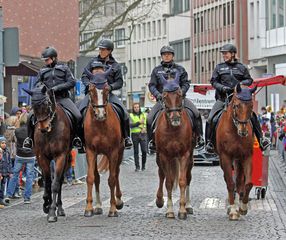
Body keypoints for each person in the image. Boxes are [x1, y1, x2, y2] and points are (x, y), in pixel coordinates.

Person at [205, 43, 271, 153]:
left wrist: (240, 84)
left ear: (233, 54)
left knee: (253, 116)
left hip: (240, 98)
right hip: (223, 98)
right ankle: (210, 142)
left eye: (226, 53)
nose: (224, 55)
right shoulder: (219, 67)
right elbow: (213, 81)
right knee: (211, 118)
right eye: (223, 53)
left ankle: (261, 140)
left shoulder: (242, 67)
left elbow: (249, 80)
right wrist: (222, 87)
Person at [23, 46, 83, 150]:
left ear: (54, 58)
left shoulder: (64, 68)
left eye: (47, 59)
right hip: (47, 99)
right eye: (45, 60)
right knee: (30, 116)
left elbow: (72, 82)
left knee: (78, 116)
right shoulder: (42, 71)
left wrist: (57, 88)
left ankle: (77, 138)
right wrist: (42, 89)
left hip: (62, 98)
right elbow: (37, 84)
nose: (45, 62)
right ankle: (29, 139)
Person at [147, 45, 205, 152]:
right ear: (162, 57)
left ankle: (200, 137)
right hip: (163, 100)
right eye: (164, 55)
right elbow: (152, 85)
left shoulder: (180, 69)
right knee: (150, 118)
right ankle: (151, 141)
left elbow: (186, 83)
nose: (166, 56)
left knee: (196, 113)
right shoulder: (156, 71)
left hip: (179, 99)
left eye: (169, 54)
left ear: (173, 56)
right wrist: (158, 95)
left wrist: (181, 92)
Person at [80, 39, 132, 149]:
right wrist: (88, 84)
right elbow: (84, 76)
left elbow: (119, 82)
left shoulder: (115, 65)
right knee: (79, 112)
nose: (101, 51)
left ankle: (127, 138)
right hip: (93, 94)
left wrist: (111, 87)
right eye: (100, 49)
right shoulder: (92, 62)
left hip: (107, 94)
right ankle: (79, 139)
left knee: (124, 113)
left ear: (110, 51)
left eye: (103, 49)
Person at [5, 113, 35, 204]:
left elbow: (13, 141)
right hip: (30, 155)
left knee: (15, 175)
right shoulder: (32, 131)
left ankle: (9, 195)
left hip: (20, 155)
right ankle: (27, 198)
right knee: (30, 176)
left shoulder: (17, 131)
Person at [130, 103, 147, 171]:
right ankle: (137, 167)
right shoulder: (131, 115)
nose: (136, 108)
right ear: (133, 108)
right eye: (135, 107)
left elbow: (145, 123)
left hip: (143, 134)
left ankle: (143, 165)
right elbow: (130, 125)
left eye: (137, 107)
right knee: (136, 151)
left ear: (139, 108)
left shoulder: (143, 114)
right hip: (135, 134)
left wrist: (144, 128)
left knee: (144, 151)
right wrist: (139, 123)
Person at [0, 136, 13, 206]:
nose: (4, 144)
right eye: (2, 143)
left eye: (5, 143)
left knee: (3, 186)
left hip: (5, 172)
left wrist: (10, 172)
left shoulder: (7, 151)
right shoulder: (0, 152)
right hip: (1, 173)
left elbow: (9, 162)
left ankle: (1, 199)